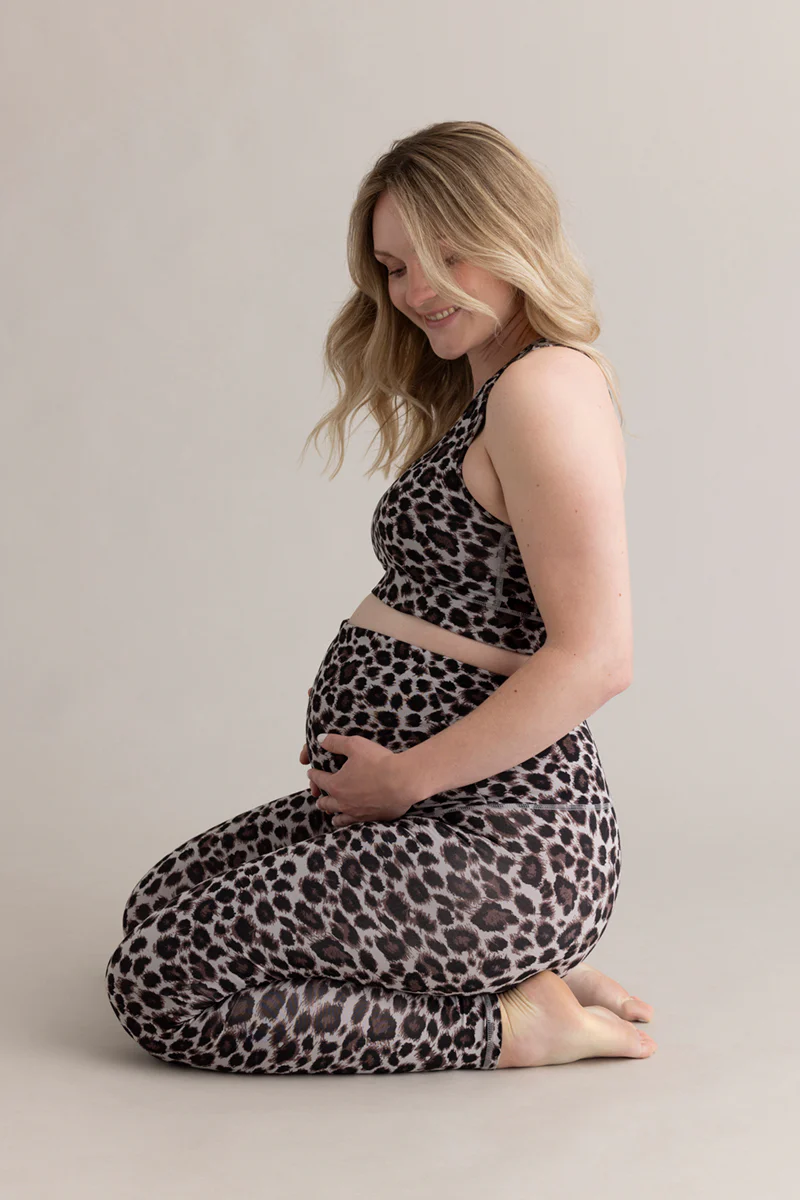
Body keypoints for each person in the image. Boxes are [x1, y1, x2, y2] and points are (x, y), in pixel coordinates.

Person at [105, 120, 656, 1074]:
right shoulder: (492, 393)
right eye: (396, 268)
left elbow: (598, 656)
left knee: (157, 985)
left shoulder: (543, 389)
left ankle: (511, 1025)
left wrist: (406, 776)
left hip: (500, 837)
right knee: (158, 908)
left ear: (511, 235)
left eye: (448, 255)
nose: (417, 291)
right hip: (433, 815)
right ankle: (522, 974)